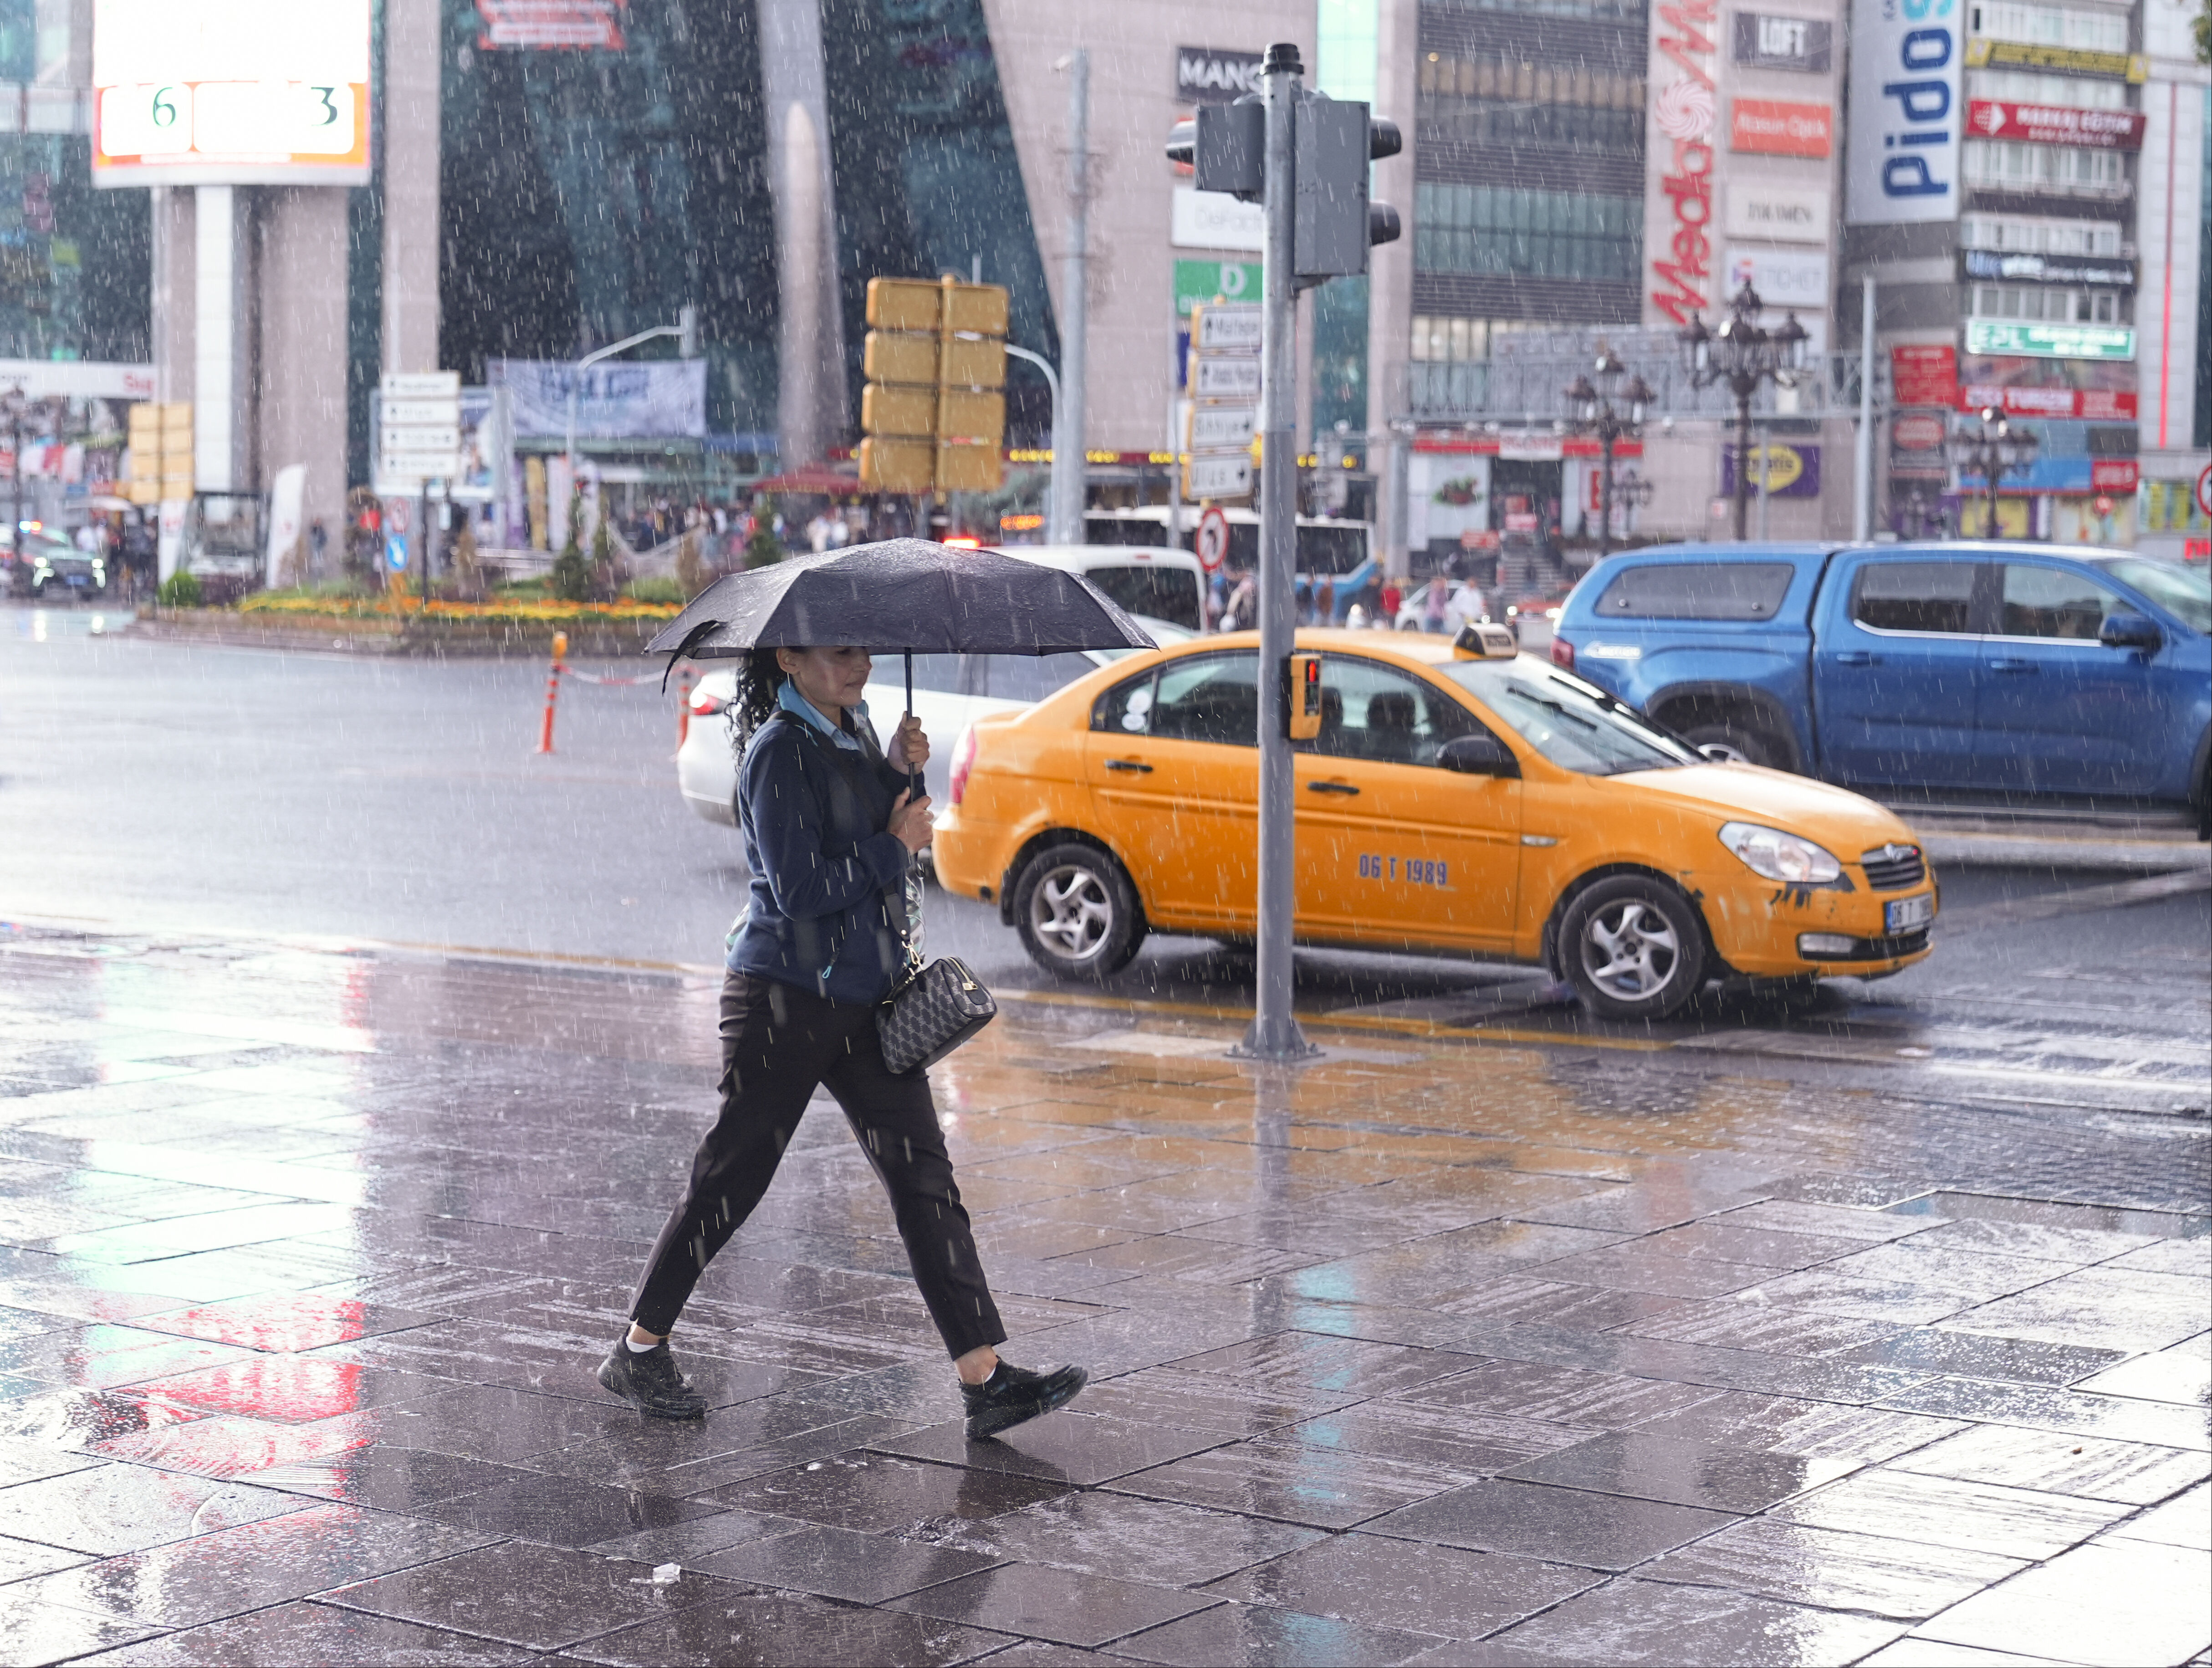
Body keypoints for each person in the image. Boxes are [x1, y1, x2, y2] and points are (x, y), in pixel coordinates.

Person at [601, 642, 1088, 1434]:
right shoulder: (777, 752)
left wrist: (899, 770)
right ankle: (640, 1347)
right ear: (790, 661)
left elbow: (876, 827)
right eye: (837, 653)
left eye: (862, 649)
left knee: (923, 1176)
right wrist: (892, 846)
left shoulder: (850, 728)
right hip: (782, 1000)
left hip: (863, 1000)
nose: (857, 664)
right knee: (733, 1176)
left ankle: (984, 1377)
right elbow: (800, 891)